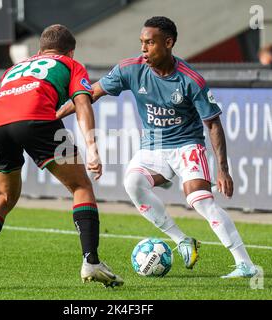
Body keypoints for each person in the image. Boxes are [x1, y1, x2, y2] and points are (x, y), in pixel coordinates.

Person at [57, 16, 258, 279]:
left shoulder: (190, 80)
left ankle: (245, 264)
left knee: (199, 200)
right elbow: (89, 94)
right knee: (132, 183)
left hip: (187, 145)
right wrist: (55, 114)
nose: (143, 48)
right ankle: (182, 239)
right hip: (153, 146)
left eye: (150, 43)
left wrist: (223, 169)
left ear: (168, 43)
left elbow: (213, 124)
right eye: (141, 42)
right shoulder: (131, 69)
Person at [0, 24, 124, 288]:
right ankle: (91, 261)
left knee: (4, 197)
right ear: (70, 52)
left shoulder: (14, 69)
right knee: (80, 185)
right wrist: (92, 147)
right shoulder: (70, 65)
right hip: (37, 118)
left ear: (39, 50)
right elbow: (83, 101)